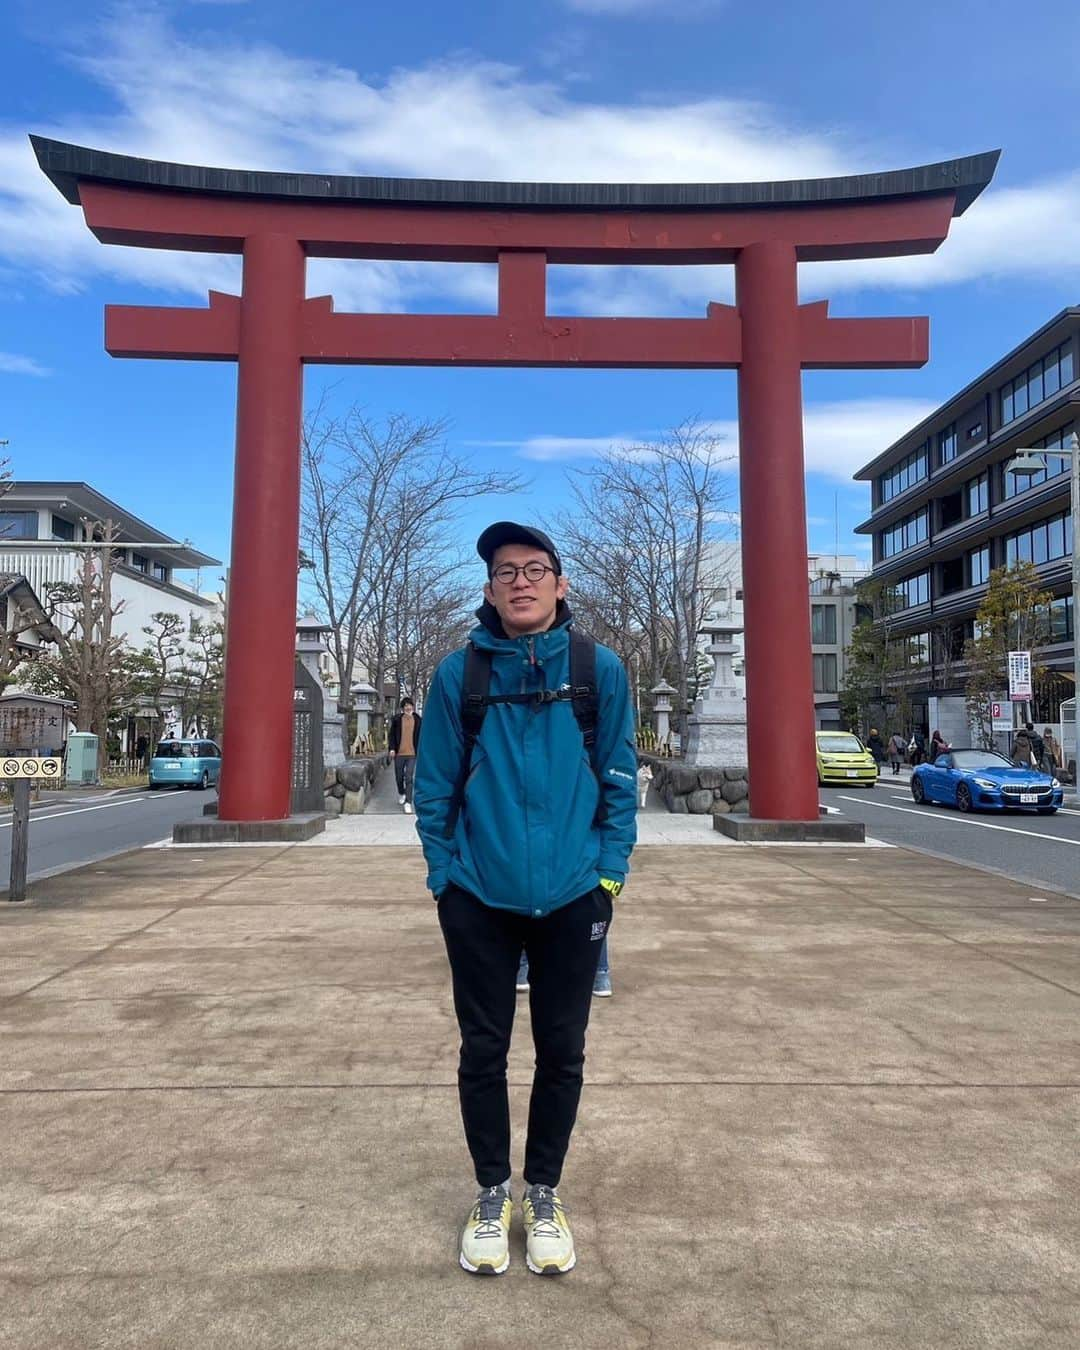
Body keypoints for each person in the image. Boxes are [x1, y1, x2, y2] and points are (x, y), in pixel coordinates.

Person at [414, 521, 637, 1278]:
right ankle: (490, 1191)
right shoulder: (461, 675)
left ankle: (543, 1192)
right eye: (506, 571)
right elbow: (434, 784)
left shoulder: (597, 669)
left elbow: (619, 776)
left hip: (576, 894)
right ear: (488, 589)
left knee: (563, 1051)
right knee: (483, 1050)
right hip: (477, 892)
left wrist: (610, 873)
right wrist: (443, 875)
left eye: (535, 569)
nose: (520, 582)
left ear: (561, 584)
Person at [387, 697, 421, 814]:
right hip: (399, 754)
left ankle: (408, 802)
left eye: (410, 705)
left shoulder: (418, 720)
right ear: (403, 708)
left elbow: (422, 736)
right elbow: (391, 735)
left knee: (409, 777)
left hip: (412, 754)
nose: (408, 707)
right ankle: (401, 792)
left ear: (412, 706)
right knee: (399, 777)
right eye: (405, 706)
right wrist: (392, 749)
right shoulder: (397, 719)